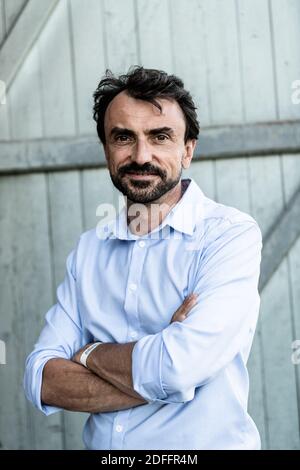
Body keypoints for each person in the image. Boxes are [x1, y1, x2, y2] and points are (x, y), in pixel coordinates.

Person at [24, 66, 263, 450]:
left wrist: (89, 353)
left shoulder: (228, 234)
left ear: (188, 150)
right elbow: (43, 379)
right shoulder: (89, 250)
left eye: (160, 136)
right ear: (105, 148)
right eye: (123, 137)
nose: (141, 155)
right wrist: (165, 362)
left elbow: (181, 365)